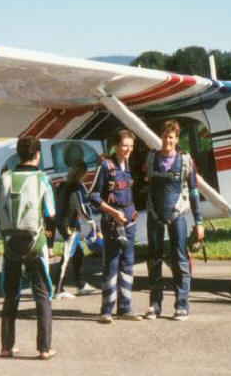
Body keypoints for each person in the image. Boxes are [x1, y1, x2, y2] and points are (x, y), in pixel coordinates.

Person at [0, 137, 57, 360]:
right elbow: (50, 216)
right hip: (35, 243)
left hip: (11, 244)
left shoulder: (4, 179)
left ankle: (6, 346)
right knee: (42, 295)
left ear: (18, 155)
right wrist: (49, 246)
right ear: (38, 155)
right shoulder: (42, 179)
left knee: (11, 295)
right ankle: (44, 348)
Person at [144, 120, 204, 321]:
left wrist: (199, 221)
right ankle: (155, 304)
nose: (167, 140)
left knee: (180, 260)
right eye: (164, 136)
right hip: (154, 216)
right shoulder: (152, 158)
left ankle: (182, 305)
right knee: (154, 260)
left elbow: (194, 191)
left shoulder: (186, 160)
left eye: (171, 137)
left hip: (177, 216)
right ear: (160, 138)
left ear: (176, 139)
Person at [89, 129, 141, 323]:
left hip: (129, 221)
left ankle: (125, 308)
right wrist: (113, 213)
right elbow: (93, 195)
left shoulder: (129, 166)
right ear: (116, 146)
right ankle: (107, 310)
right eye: (125, 145)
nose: (128, 150)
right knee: (111, 264)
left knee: (127, 263)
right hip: (112, 222)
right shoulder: (105, 166)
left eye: (131, 147)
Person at [50, 159, 98, 298]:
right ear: (82, 174)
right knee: (66, 257)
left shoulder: (63, 185)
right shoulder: (77, 187)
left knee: (79, 254)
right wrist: (92, 223)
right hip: (70, 225)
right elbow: (82, 210)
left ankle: (81, 284)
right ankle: (59, 290)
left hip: (62, 223)